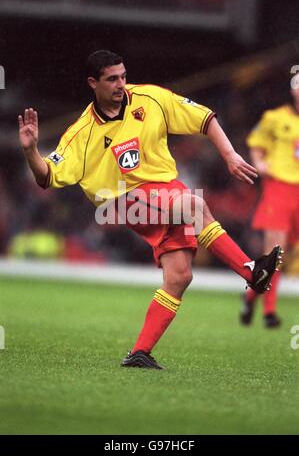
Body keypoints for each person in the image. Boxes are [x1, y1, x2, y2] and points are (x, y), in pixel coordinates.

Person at [19, 50, 282, 369]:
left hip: (166, 189)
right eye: (112, 79)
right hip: (119, 199)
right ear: (93, 83)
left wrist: (229, 155)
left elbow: (205, 118)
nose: (121, 84)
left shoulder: (151, 98)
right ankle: (251, 272)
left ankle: (139, 353)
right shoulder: (81, 133)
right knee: (193, 205)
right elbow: (46, 176)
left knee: (180, 275)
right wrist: (31, 150)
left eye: (123, 76)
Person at [240, 81, 299, 328]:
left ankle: (251, 295)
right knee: (276, 253)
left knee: (283, 258)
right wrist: (259, 162)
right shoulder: (274, 118)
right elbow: (256, 142)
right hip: (279, 189)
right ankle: (269, 313)